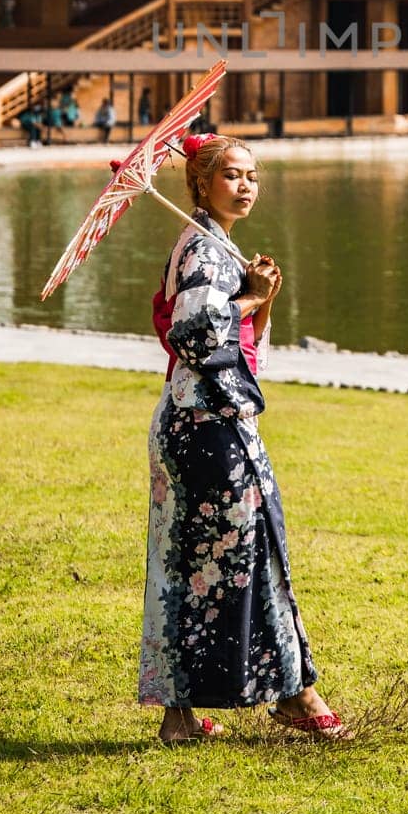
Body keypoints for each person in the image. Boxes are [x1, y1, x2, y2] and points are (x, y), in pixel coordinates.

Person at [139, 133, 345, 743]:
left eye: (252, 174)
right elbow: (196, 336)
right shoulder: (202, 250)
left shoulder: (214, 246)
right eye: (232, 174)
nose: (246, 185)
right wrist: (249, 296)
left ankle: (183, 718)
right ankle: (297, 695)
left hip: (206, 421)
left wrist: (260, 301)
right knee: (250, 551)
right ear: (202, 183)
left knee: (193, 560)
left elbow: (243, 344)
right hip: (208, 426)